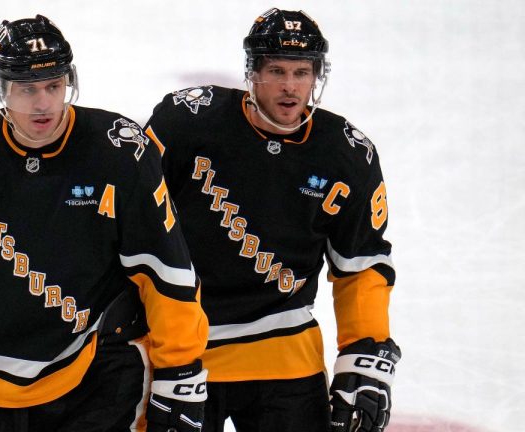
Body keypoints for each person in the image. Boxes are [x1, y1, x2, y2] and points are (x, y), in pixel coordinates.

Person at [0, 15, 209, 432]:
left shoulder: (121, 150)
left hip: (104, 366)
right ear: (1, 88)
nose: (43, 103)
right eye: (26, 89)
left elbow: (164, 269)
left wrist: (178, 370)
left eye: (53, 85)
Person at [143, 8, 401, 432]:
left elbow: (360, 265)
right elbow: (136, 232)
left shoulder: (347, 155)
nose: (289, 86)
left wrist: (365, 351)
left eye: (302, 72)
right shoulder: (186, 125)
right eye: (276, 70)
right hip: (184, 353)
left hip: (284, 354)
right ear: (252, 73)